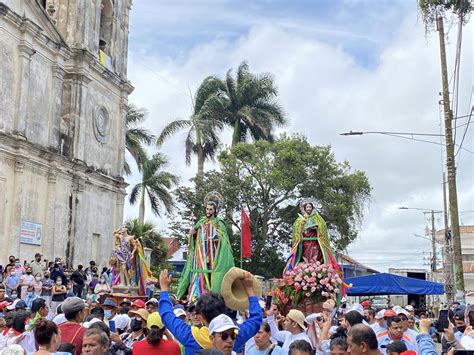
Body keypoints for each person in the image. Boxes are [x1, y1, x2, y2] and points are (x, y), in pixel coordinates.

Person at [159, 269, 262, 355]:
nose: (229, 340)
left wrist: (164, 289)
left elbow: (167, 315)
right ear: (224, 310)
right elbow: (256, 320)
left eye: (226, 337)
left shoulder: (189, 335)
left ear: (202, 316)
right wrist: (249, 290)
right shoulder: (234, 335)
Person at [176, 192, 234, 300]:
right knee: (201, 273)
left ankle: (213, 294)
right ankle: (198, 293)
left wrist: (217, 239)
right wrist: (192, 234)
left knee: (213, 273)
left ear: (215, 210)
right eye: (207, 209)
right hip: (201, 254)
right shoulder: (201, 222)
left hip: (214, 254)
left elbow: (224, 239)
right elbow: (193, 235)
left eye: (211, 209)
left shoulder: (219, 223)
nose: (208, 211)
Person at [283, 199, 345, 297]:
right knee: (306, 256)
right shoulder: (299, 219)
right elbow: (295, 230)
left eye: (310, 207)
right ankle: (306, 268)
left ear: (312, 208)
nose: (309, 209)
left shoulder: (317, 218)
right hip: (305, 242)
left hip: (315, 241)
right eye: (307, 207)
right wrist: (301, 225)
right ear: (304, 208)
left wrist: (317, 228)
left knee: (315, 254)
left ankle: (316, 268)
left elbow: (323, 226)